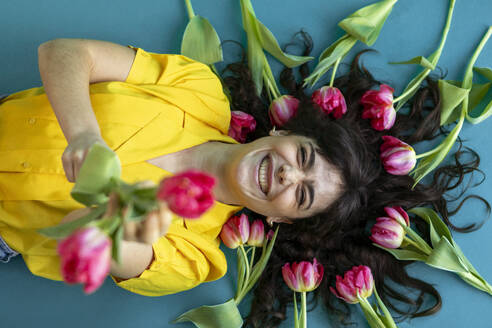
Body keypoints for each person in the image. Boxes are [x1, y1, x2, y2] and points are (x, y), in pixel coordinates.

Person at [0, 37, 485, 326]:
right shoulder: (197, 88)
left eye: (302, 193)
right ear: (283, 131)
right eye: (303, 155)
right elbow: (63, 53)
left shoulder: (200, 259)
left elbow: (89, 231)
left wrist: (120, 221)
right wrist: (84, 133)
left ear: (277, 218)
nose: (287, 174)